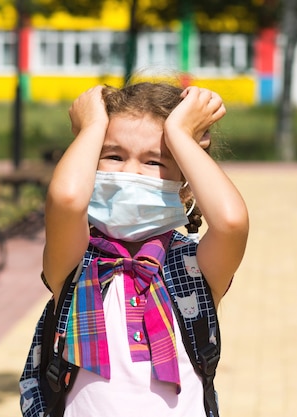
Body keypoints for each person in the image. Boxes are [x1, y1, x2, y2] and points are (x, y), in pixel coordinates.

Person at [40, 80, 249, 416]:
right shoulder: (75, 259)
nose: (130, 172)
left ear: (185, 184)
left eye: (155, 162)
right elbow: (66, 199)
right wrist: (91, 128)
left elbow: (231, 221)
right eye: (113, 155)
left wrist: (181, 134)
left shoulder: (194, 265)